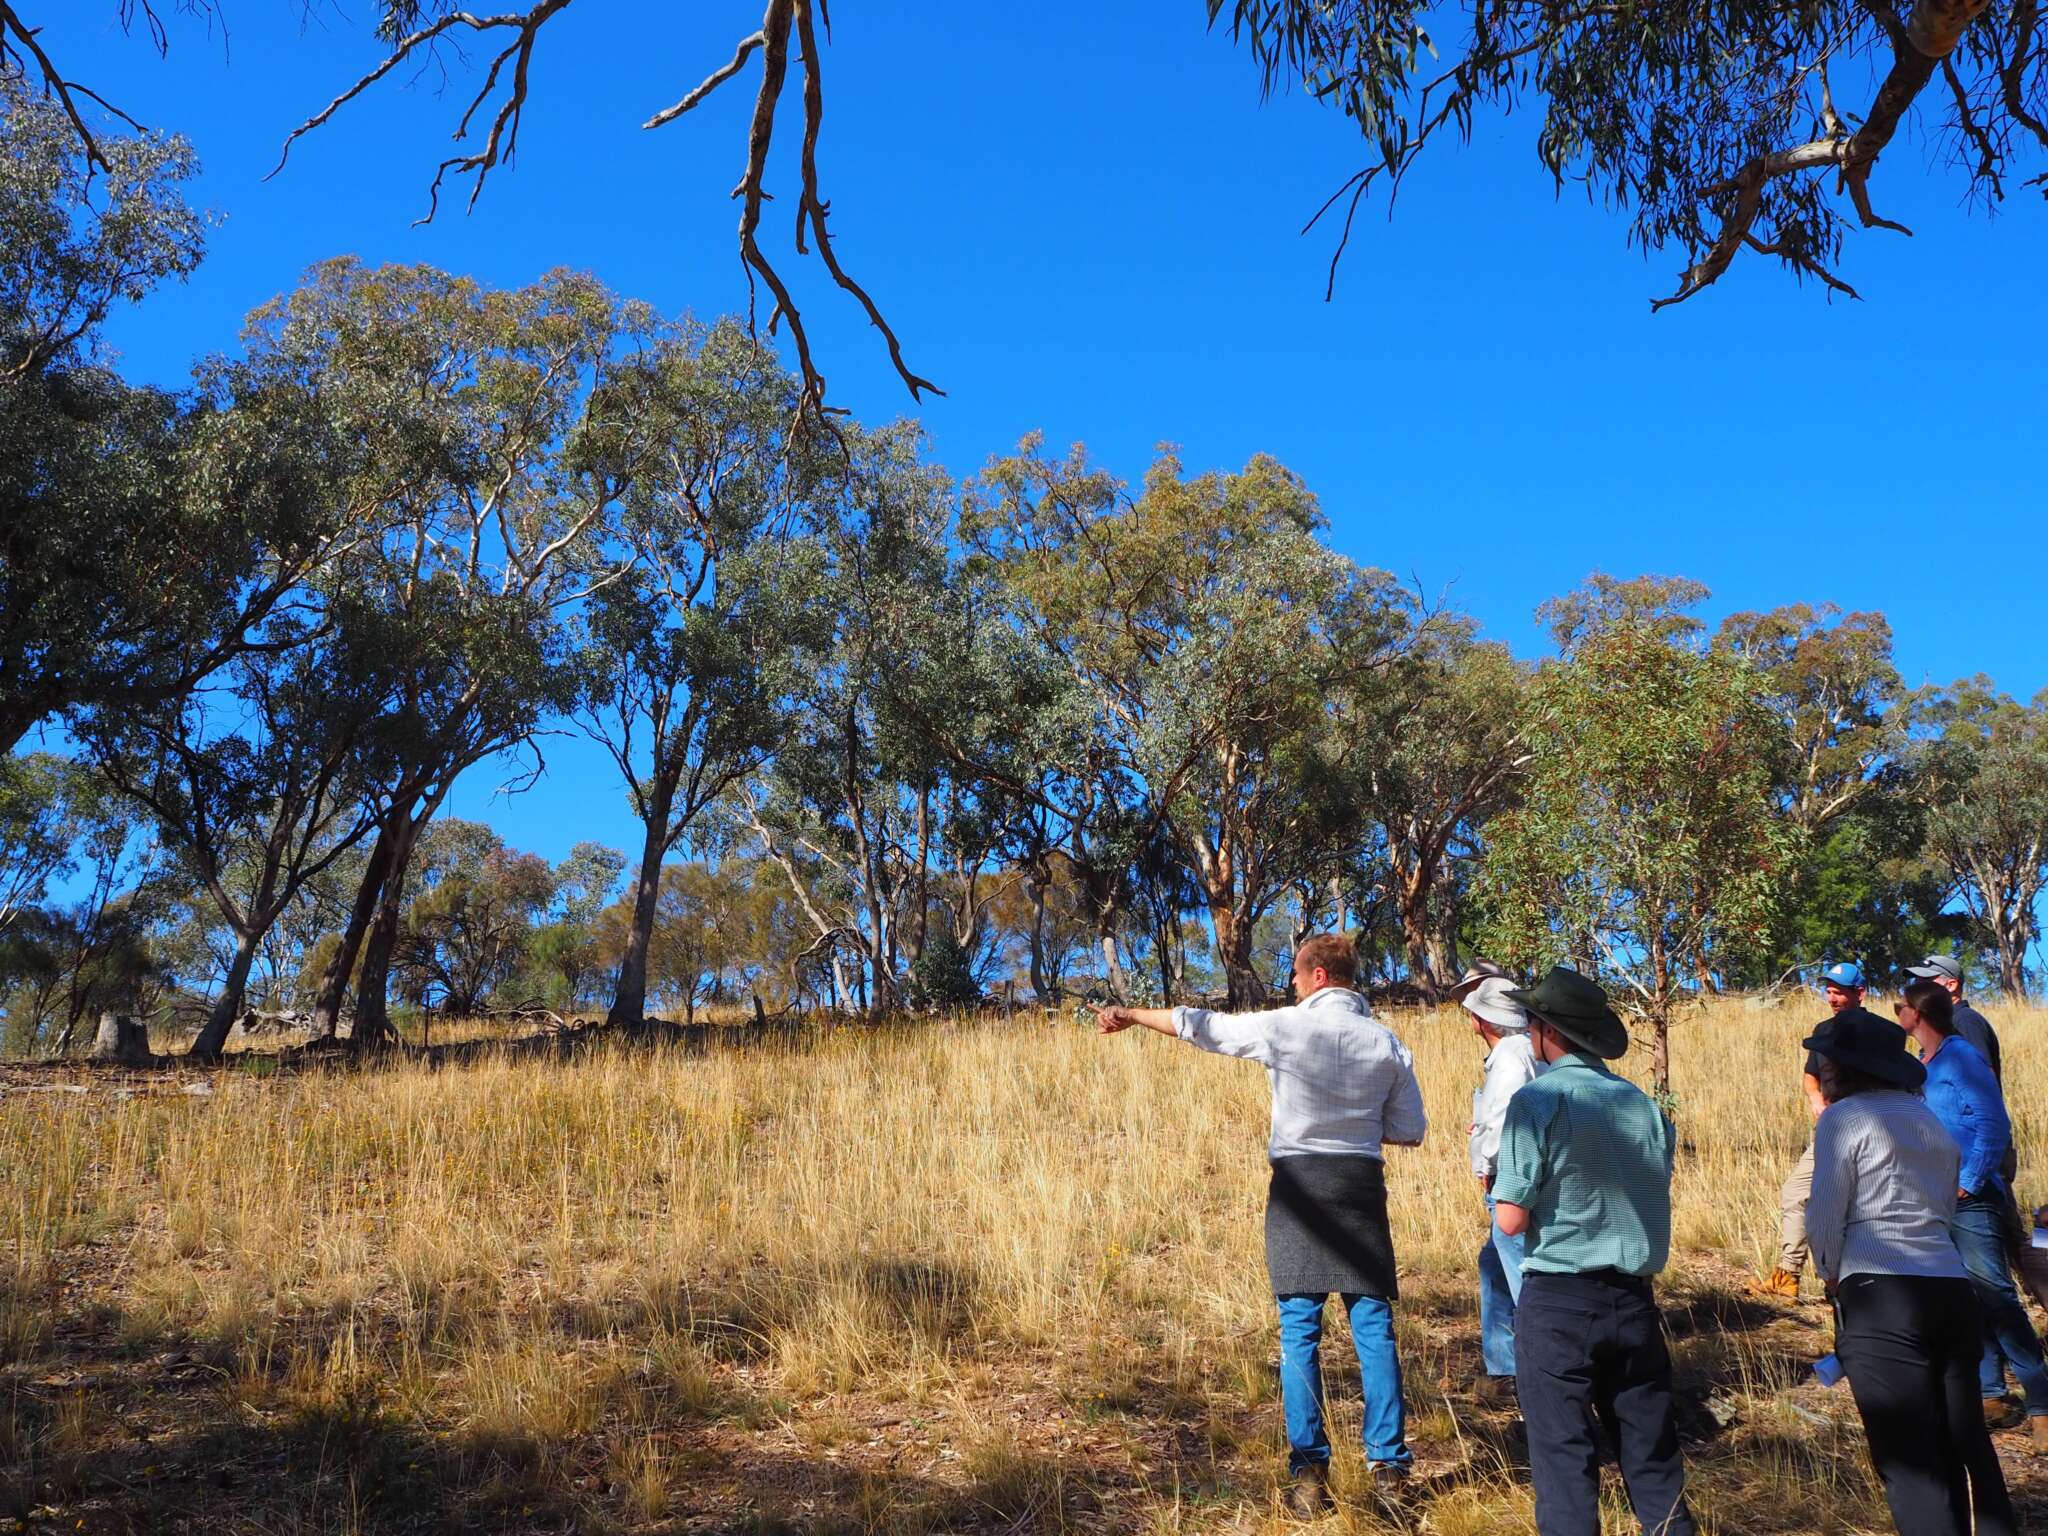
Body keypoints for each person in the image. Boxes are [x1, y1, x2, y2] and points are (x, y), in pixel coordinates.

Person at [1094, 933, 1427, 1516]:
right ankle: (1389, 1470)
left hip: (1298, 1187)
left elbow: (1203, 1026)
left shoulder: (1285, 1027)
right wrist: (1351, 1122)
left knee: (1300, 1330)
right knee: (1374, 1328)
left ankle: (1309, 1474)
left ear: (1318, 976)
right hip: (1360, 1188)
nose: (1292, 985)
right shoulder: (1388, 1043)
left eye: (1297, 976)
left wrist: (1129, 1014)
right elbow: (1409, 1129)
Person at [1492, 966, 1698, 1536]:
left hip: (1559, 1301)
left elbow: (1509, 1220)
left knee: (1564, 1462)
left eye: (1530, 1022)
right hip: (1634, 1302)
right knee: (1654, 1459)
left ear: (1546, 1032)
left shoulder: (1537, 1102)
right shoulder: (1643, 1105)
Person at [1803, 1007, 2016, 1536]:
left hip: (1880, 1295)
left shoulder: (1843, 1119)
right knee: (1966, 1444)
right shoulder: (1927, 1121)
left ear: (1843, 1068)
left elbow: (1825, 1215)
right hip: (1949, 1288)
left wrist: (1830, 1275)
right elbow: (1944, 1208)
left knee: (1910, 1463)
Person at [1897, 977, 2048, 1447]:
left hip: (1972, 1197)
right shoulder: (1926, 1063)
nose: (1897, 1014)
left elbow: (1992, 1123)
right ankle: (1993, 1393)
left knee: (1998, 1297)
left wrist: (1970, 1181)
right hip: (1937, 1197)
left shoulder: (1960, 1056)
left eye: (1900, 1006)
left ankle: (2042, 1404)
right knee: (1968, 1298)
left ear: (1917, 1014)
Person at [1754, 960, 1864, 1301]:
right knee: (1796, 1193)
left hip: (1863, 1130)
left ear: (1859, 993)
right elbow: (1810, 1075)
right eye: (1829, 991)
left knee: (1850, 1207)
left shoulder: (1874, 1032)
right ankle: (1787, 1276)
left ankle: (1843, 1284)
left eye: (1839, 992)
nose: (1832, 998)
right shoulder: (1822, 1031)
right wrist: (1816, 1100)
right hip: (1828, 1132)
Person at [1464, 974, 1542, 1398]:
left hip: (1508, 1180)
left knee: (1520, 1274)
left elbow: (1503, 1121)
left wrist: (1486, 1162)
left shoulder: (1511, 1059)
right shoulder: (1527, 1051)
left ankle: (1531, 1370)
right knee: (1495, 1264)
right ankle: (1504, 1366)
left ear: (1483, 1019)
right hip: (1523, 1176)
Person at [1907, 954, 2002, 1079]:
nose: (1916, 988)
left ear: (1951, 985)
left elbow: (1982, 1081)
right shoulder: (1944, 1026)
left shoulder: (1965, 1021)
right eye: (1915, 982)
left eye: (1925, 982)